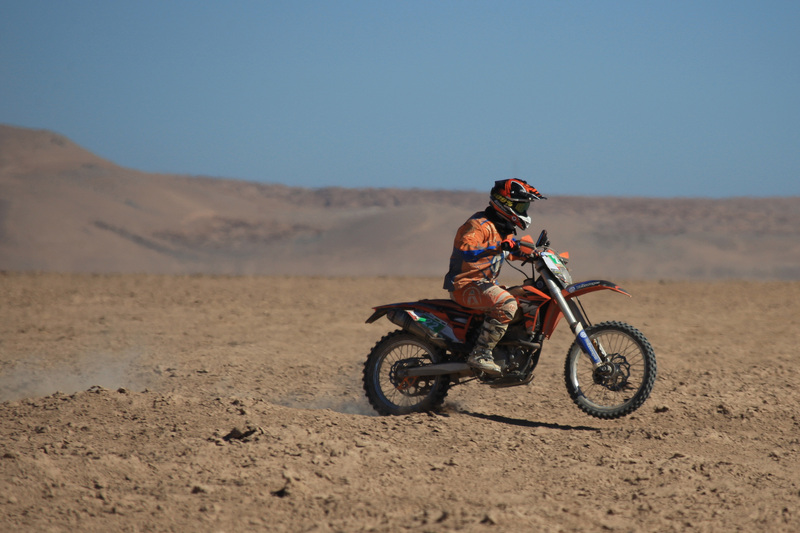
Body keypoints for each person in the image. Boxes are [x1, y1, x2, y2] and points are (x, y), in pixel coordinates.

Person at [443, 179, 546, 374]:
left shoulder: (502, 228)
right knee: (507, 304)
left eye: (525, 207)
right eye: (521, 206)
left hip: (485, 285)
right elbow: (466, 249)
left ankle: (508, 348)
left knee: (527, 297)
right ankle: (480, 353)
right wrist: (500, 246)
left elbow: (510, 252)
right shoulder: (478, 225)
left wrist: (534, 254)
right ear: (505, 203)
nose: (524, 211)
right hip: (465, 286)